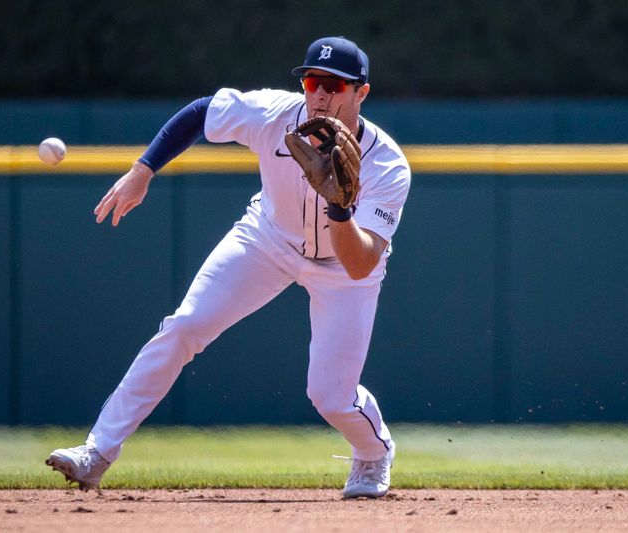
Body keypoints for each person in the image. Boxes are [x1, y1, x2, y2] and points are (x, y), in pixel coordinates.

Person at [46, 36, 411, 499]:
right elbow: (203, 111)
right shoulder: (275, 115)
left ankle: (374, 454)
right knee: (183, 327)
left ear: (361, 93)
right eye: (312, 81)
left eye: (335, 85)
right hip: (268, 239)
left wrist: (338, 209)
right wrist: (143, 170)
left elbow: (359, 265)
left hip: (342, 268)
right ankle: (96, 452)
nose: (319, 94)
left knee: (330, 396)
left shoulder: (387, 164)